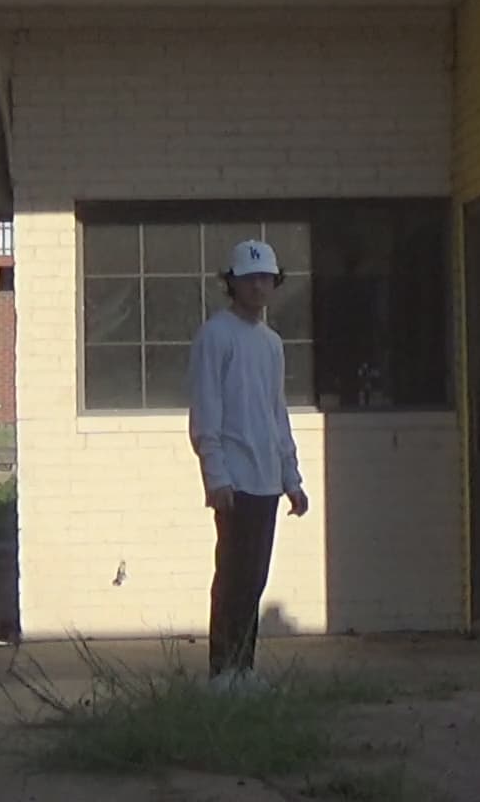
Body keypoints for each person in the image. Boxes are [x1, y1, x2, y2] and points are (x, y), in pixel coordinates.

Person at [187, 238, 311, 689]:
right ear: (233, 283)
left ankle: (245, 668)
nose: (259, 287)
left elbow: (276, 413)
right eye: (250, 279)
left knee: (255, 578)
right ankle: (223, 670)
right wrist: (215, 474)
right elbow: (206, 409)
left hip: (266, 480)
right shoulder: (215, 335)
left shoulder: (271, 343)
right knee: (233, 577)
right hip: (234, 480)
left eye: (266, 279)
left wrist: (291, 477)